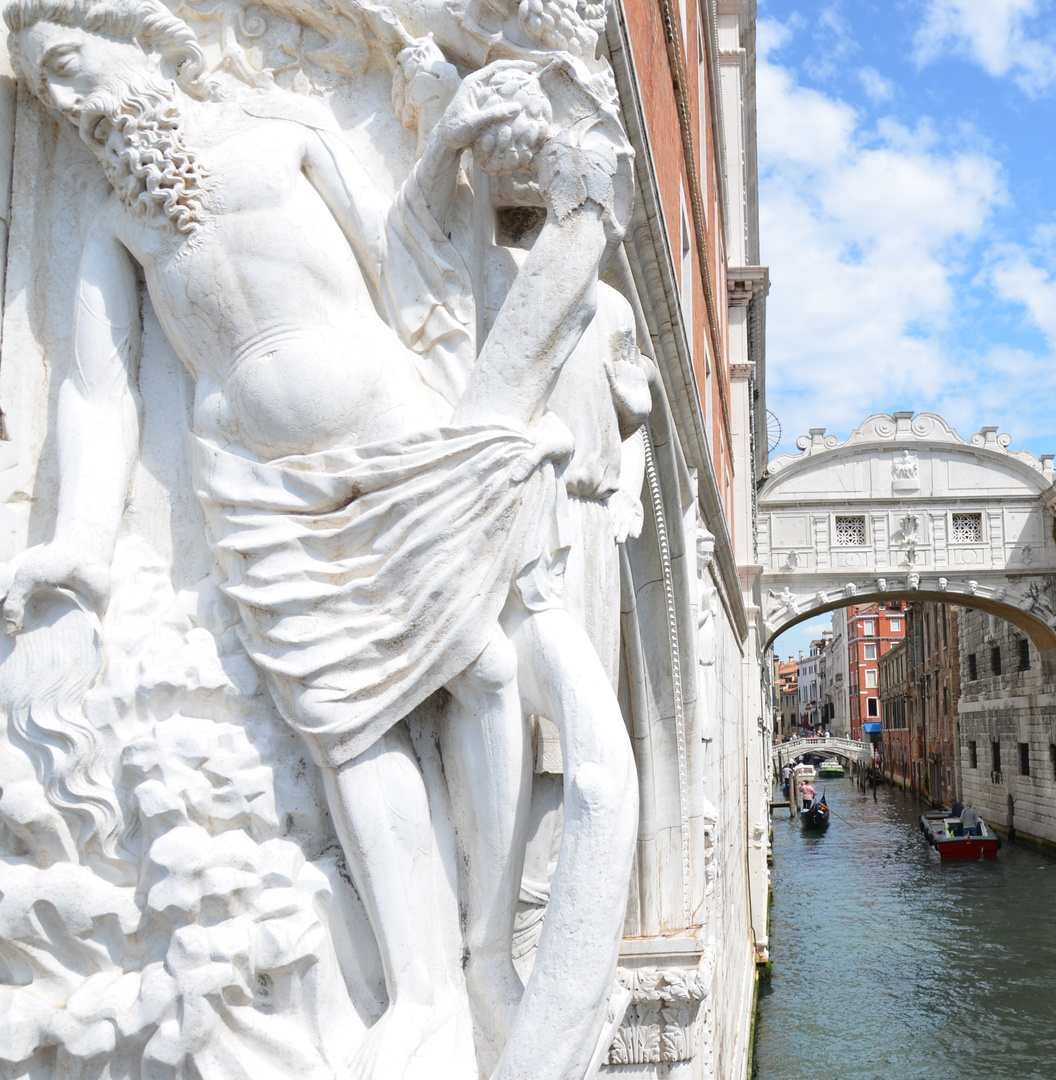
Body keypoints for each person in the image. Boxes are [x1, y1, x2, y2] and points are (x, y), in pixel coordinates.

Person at [1, 5, 634, 1076]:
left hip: (388, 435)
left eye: (69, 63)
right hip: (254, 486)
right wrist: (79, 544)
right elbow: (96, 397)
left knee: (479, 670)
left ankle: (484, 954)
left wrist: (441, 144)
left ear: (136, 47)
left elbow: (402, 251)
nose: (69, 99)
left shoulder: (281, 135)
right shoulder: (117, 227)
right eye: (47, 88)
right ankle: (421, 991)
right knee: (346, 726)